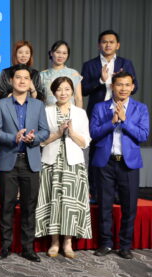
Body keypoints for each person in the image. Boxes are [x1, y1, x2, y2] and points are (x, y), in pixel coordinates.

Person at [91, 72, 149, 259]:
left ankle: (125, 246)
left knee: (129, 206)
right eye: (119, 84)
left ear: (132, 87)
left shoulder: (140, 108)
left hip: (128, 164)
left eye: (127, 85)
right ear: (112, 87)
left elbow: (143, 135)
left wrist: (125, 120)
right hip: (105, 162)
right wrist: (112, 122)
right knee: (104, 205)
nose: (123, 88)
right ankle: (106, 243)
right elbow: (93, 133)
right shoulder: (100, 107)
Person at [0, 64, 49, 262]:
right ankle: (5, 246)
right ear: (11, 81)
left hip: (30, 161)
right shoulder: (1, 104)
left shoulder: (38, 105)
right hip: (9, 160)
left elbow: (45, 131)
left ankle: (28, 248)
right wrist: (13, 138)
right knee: (7, 205)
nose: (22, 81)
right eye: (18, 77)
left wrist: (34, 138)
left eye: (26, 78)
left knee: (29, 206)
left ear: (30, 82)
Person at [34, 77, 91, 259]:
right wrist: (58, 133)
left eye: (67, 89)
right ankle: (54, 241)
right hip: (51, 162)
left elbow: (85, 142)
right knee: (52, 201)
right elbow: (41, 141)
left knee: (70, 204)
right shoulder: (46, 111)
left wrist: (72, 133)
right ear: (53, 92)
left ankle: (67, 242)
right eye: (59, 89)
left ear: (72, 91)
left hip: (73, 164)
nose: (63, 93)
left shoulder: (80, 113)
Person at [82, 30, 137, 201]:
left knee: (120, 147)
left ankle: (119, 193)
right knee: (96, 151)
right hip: (99, 112)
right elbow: (83, 90)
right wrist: (101, 80)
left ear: (117, 45)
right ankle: (95, 192)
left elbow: (135, 86)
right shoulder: (90, 65)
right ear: (99, 45)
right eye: (104, 42)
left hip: (120, 109)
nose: (108, 45)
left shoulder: (125, 64)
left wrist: (119, 82)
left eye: (111, 42)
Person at [39, 40, 83, 107]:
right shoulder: (42, 75)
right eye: (58, 52)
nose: (61, 56)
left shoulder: (74, 74)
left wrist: (79, 113)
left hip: (70, 112)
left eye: (64, 53)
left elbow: (78, 98)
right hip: (48, 111)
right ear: (51, 53)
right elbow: (38, 99)